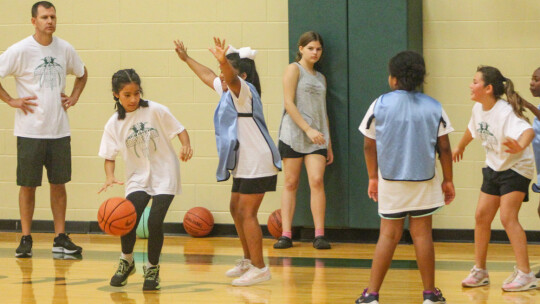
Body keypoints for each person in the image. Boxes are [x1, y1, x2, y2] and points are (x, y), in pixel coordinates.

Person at [174, 38, 281, 286]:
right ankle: (248, 259)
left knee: (247, 213)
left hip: (258, 160)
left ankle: (260, 267)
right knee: (235, 208)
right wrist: (186, 58)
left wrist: (223, 61)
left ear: (241, 75)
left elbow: (228, 77)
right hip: (244, 162)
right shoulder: (225, 89)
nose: (220, 78)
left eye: (226, 73)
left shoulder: (244, 90)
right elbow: (208, 75)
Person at [357, 51, 454, 304]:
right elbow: (444, 147)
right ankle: (430, 294)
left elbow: (369, 145)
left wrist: (372, 177)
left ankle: (372, 295)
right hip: (425, 180)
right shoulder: (434, 106)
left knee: (388, 235)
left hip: (390, 180)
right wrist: (448, 180)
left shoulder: (379, 104)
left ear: (393, 79)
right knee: (422, 235)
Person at [0, 1, 88, 258]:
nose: (50, 21)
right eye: (44, 17)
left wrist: (74, 96)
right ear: (34, 21)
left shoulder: (65, 48)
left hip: (59, 130)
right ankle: (26, 238)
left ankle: (60, 238)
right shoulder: (20, 50)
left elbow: (82, 73)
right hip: (30, 131)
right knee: (28, 186)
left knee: (58, 184)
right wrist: (10, 100)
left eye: (53, 17)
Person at [98, 69, 192, 290]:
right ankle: (127, 261)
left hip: (165, 173)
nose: (133, 99)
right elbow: (109, 156)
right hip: (137, 177)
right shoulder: (113, 123)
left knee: (154, 222)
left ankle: (151, 268)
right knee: (127, 219)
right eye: (127, 95)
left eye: (136, 93)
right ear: (116, 95)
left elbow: (180, 129)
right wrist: (110, 176)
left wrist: (186, 144)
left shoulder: (155, 110)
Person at [454, 66, 538, 292]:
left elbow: (529, 131)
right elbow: (473, 130)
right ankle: (480, 271)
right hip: (494, 166)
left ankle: (526, 275)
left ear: (488, 88)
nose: (470, 86)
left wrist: (519, 145)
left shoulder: (505, 111)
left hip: (518, 166)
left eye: (474, 82)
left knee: (507, 217)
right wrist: (460, 146)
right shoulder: (478, 108)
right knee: (481, 216)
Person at [273, 31, 334, 250]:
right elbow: (289, 103)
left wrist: (328, 143)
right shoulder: (293, 69)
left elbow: (322, 111)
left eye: (318, 49)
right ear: (300, 48)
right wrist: (307, 129)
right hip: (294, 134)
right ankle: (286, 234)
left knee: (316, 181)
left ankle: (319, 235)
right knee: (290, 183)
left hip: (317, 138)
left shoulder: (321, 78)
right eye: (310, 48)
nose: (315, 52)